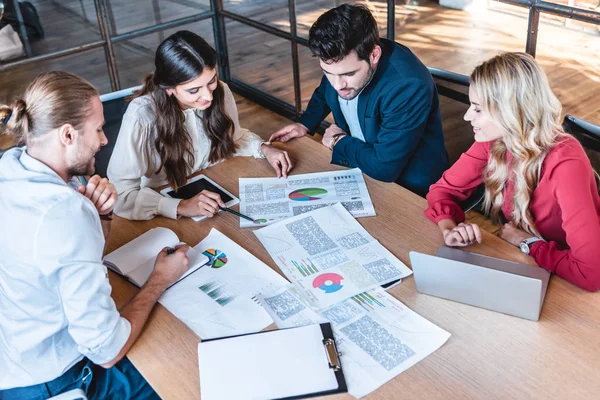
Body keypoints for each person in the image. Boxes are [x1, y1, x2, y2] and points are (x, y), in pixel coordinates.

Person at [0, 71, 190, 399]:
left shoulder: (12, 168)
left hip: (14, 358)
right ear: (68, 135)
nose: (104, 141)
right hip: (55, 380)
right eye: (99, 129)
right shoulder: (63, 211)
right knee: (183, 370)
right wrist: (159, 280)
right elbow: (107, 348)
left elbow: (73, 259)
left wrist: (100, 216)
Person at [425, 52, 600, 292]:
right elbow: (442, 191)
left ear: (509, 112)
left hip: (570, 284)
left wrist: (526, 242)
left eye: (477, 109)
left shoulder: (565, 161)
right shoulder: (496, 139)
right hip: (532, 266)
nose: (467, 116)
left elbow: (590, 274)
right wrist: (450, 228)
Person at [108, 31, 292, 221]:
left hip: (214, 186)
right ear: (169, 89)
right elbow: (121, 194)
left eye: (211, 81)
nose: (208, 97)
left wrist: (263, 148)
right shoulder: (141, 116)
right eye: (193, 90)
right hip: (161, 205)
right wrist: (180, 206)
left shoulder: (221, 91)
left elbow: (233, 138)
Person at [269, 4, 448, 197]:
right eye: (328, 73)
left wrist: (338, 140)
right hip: (359, 167)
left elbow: (384, 168)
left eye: (348, 74)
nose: (338, 85)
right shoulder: (341, 65)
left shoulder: (407, 87)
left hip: (407, 188)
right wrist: (304, 124)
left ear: (374, 55)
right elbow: (324, 92)